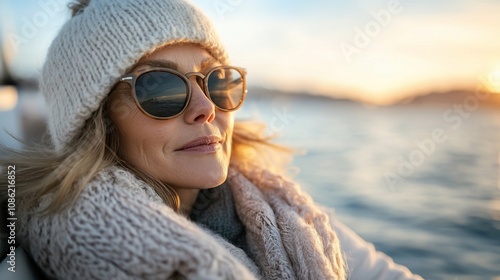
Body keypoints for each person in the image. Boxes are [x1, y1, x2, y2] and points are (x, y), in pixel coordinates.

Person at [0, 0, 424, 279]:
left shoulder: (282, 212)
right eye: (161, 87)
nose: (206, 107)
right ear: (97, 125)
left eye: (217, 81)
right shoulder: (52, 256)